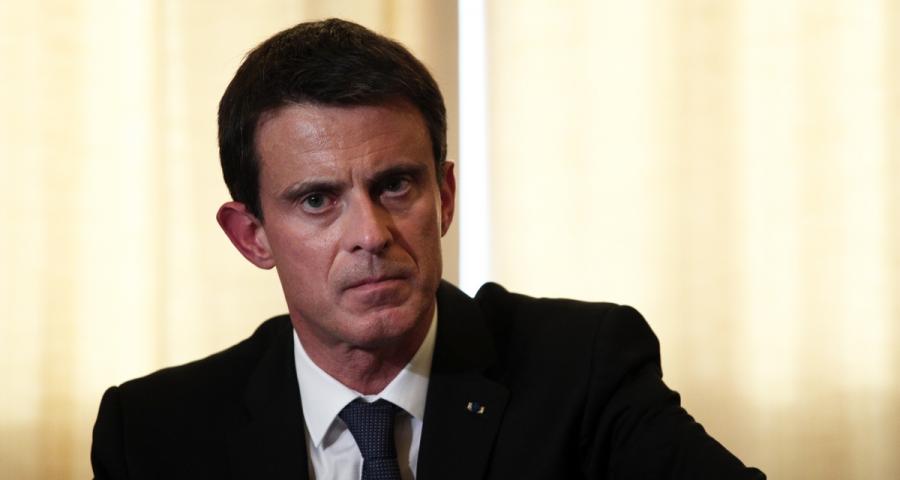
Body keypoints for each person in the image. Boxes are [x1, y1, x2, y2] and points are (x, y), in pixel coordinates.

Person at [91, 18, 765, 479]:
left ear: (443, 197)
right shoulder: (154, 433)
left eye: (395, 186)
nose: (370, 234)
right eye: (318, 200)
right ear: (252, 236)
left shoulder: (582, 371)